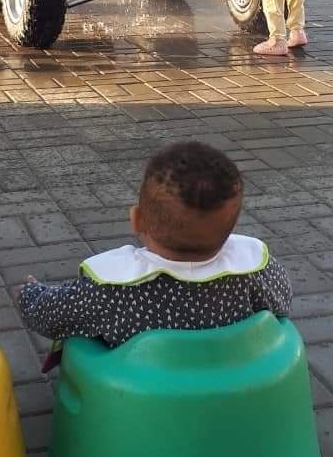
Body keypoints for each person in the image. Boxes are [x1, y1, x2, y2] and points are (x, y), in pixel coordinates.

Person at [16, 141, 291, 361]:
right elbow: (282, 305)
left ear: (136, 219)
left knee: (79, 340)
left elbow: (47, 316)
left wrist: (30, 293)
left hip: (139, 395)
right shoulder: (255, 272)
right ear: (231, 230)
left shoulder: (111, 290)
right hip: (233, 379)